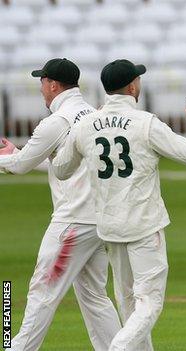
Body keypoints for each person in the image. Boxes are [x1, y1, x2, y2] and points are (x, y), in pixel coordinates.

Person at [51, 59, 186, 350]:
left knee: (128, 307)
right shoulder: (145, 123)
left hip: (110, 228)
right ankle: (117, 347)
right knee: (149, 304)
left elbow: (61, 169)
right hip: (144, 226)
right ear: (133, 86)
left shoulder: (86, 125)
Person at [0, 58, 121, 351]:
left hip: (73, 222)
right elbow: (66, 164)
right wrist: (16, 153)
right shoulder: (93, 115)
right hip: (100, 219)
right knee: (94, 296)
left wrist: (10, 158)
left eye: (42, 82)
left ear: (53, 85)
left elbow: (19, 166)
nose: (41, 89)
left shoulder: (56, 122)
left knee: (43, 290)